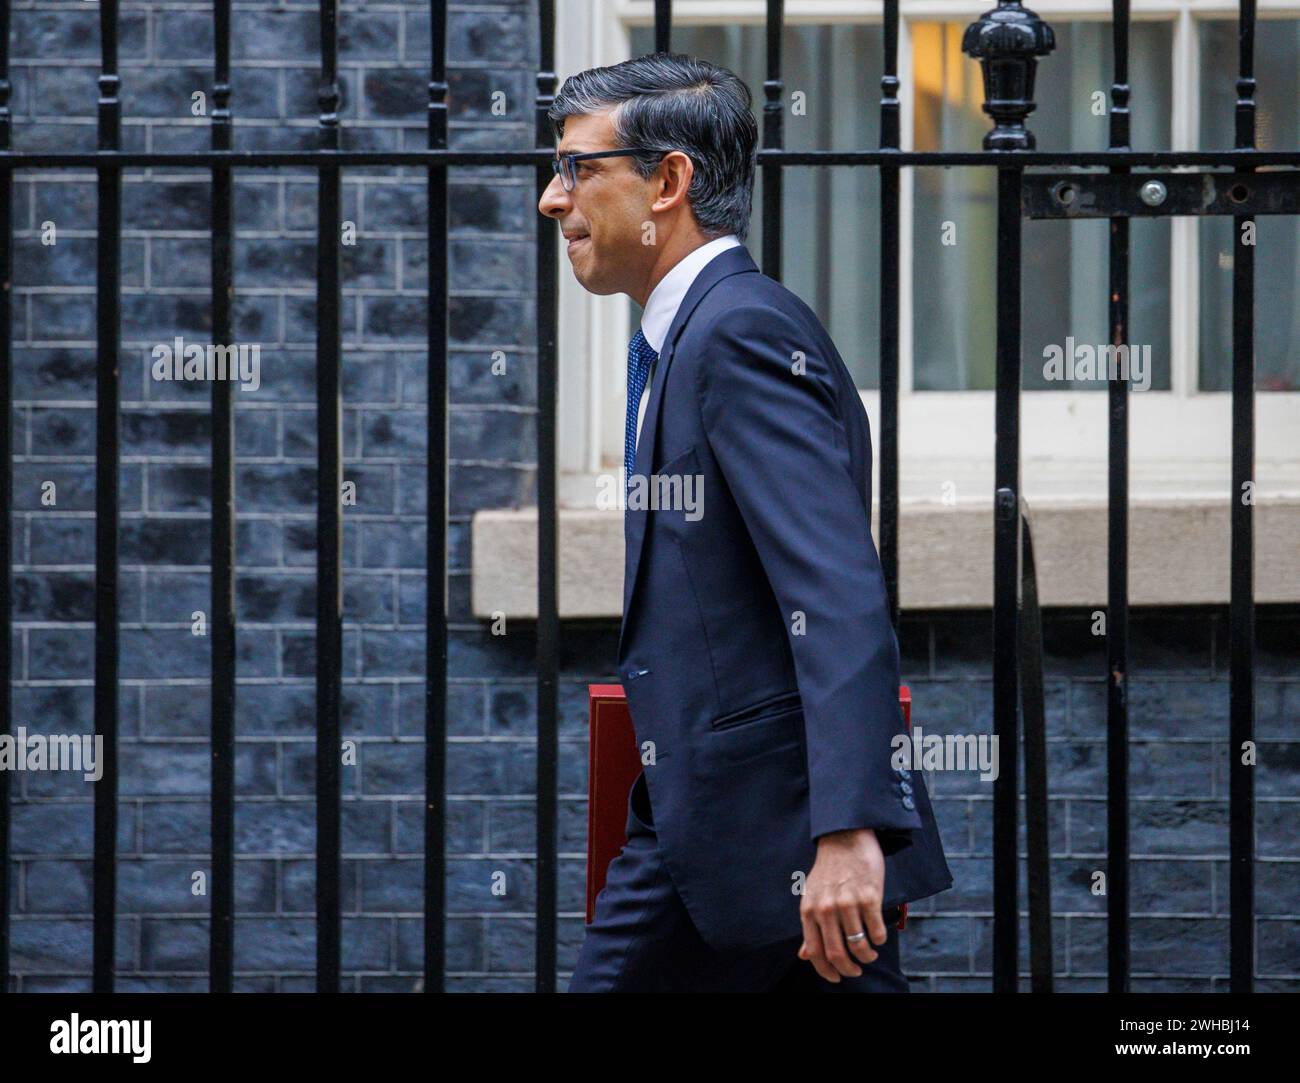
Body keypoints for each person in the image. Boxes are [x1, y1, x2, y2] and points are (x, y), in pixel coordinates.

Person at [539, 51, 952, 993]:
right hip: (706, 824)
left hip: (782, 833)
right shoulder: (692, 335)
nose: (553, 201)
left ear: (669, 183)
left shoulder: (738, 335)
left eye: (577, 167)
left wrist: (848, 832)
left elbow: (835, 587)